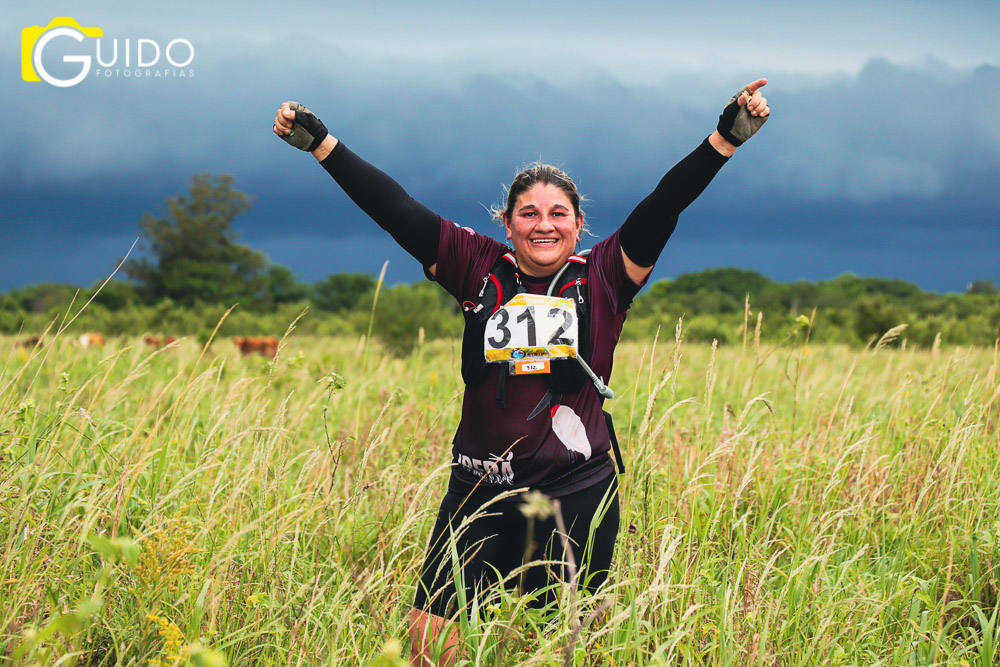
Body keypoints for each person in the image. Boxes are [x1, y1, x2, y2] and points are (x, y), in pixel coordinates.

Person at [273, 79, 769, 665]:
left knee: (563, 649)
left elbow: (664, 205)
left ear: (579, 224)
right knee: (426, 646)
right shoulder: (476, 264)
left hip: (574, 493)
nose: (544, 224)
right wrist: (323, 144)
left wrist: (724, 140)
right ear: (506, 223)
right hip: (476, 490)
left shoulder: (607, 273)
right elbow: (396, 210)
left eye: (558, 214)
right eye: (528, 213)